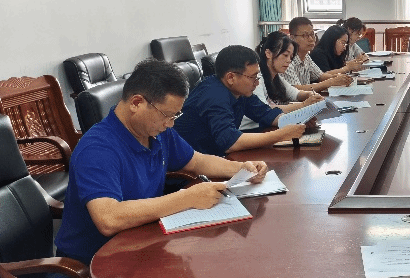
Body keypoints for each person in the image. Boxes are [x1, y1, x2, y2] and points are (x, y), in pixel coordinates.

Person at [55, 58, 268, 267]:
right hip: (95, 267)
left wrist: (241, 168)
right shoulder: (97, 148)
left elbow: (196, 161)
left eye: (175, 115)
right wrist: (187, 198)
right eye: (167, 115)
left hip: (141, 245)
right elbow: (108, 218)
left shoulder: (156, 131)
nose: (170, 124)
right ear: (136, 103)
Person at [173, 45, 306, 156]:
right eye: (253, 77)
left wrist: (297, 120)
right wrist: (281, 135)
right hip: (189, 167)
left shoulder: (240, 91)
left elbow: (266, 114)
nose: (257, 83)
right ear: (231, 77)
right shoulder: (214, 95)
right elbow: (230, 142)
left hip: (214, 157)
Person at [240, 31, 324, 130]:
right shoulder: (256, 79)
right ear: (268, 53)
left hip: (270, 126)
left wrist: (310, 95)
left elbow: (295, 93)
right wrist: (304, 105)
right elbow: (266, 111)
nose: (289, 60)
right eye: (285, 55)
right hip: (253, 129)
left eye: (291, 57)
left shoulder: (277, 77)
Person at [282, 17, 354, 92]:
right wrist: (331, 82)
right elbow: (296, 90)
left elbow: (320, 75)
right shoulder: (287, 60)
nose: (311, 39)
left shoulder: (306, 57)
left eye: (312, 34)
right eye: (305, 35)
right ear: (292, 38)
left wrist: (337, 77)